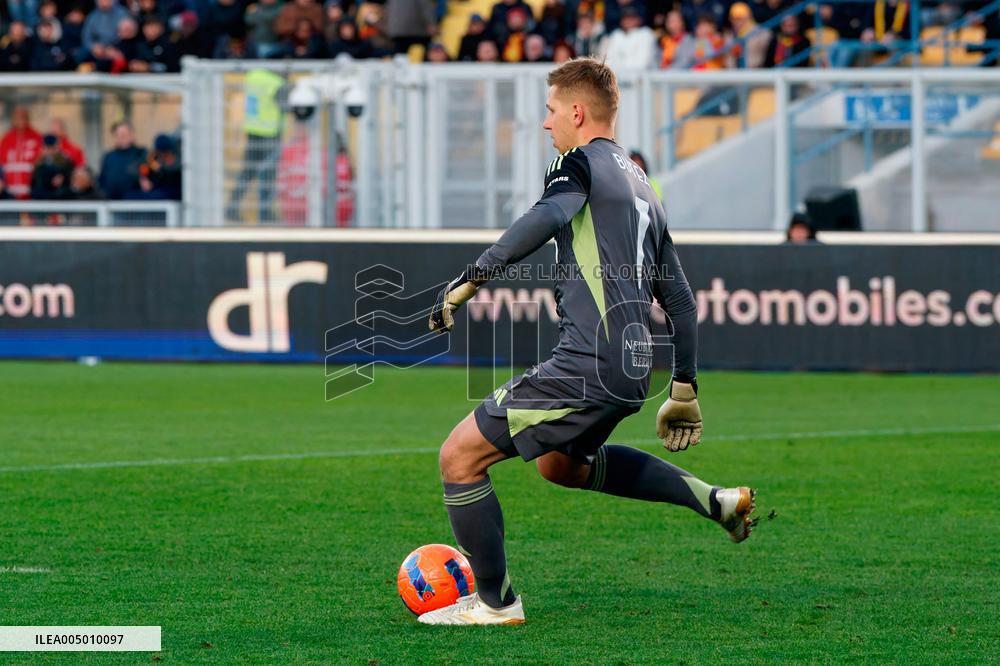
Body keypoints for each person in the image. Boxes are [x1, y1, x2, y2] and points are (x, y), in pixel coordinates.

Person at [419, 58, 756, 626]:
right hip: (632, 369)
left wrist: (469, 280)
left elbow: (548, 215)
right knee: (561, 467)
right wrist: (684, 386)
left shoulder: (577, 163)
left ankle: (496, 604)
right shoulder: (644, 184)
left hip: (588, 363)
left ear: (577, 111)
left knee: (459, 457)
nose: (546, 123)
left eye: (551, 110)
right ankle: (713, 499)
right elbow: (679, 298)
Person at [226, 68, 288, 223]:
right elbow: (285, 106)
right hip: (270, 133)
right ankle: (265, 213)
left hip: (253, 130)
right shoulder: (277, 82)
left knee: (247, 173)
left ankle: (231, 207)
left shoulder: (254, 75)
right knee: (268, 175)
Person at [0, 106, 42, 199]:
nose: (20, 121)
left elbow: (40, 161)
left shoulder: (37, 137)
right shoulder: (6, 138)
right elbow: (2, 163)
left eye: (23, 117)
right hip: (9, 193)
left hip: (31, 192)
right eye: (17, 118)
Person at [98, 120, 147, 199]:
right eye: (118, 135)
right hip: (111, 202)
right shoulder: (108, 156)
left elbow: (146, 174)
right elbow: (102, 179)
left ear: (132, 135)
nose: (121, 137)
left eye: (124, 134)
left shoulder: (141, 153)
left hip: (135, 201)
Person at [30, 134, 73, 199]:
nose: (50, 151)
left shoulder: (65, 163)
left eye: (52, 148)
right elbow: (34, 184)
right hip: (42, 198)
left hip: (60, 199)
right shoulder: (38, 164)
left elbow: (72, 183)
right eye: (47, 148)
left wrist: (63, 180)